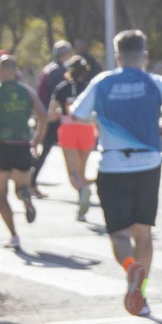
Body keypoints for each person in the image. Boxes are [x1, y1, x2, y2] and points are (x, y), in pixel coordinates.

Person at [68, 34, 162, 316]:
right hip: (148, 164)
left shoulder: (102, 82)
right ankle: (141, 293)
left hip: (112, 166)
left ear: (117, 58)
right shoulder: (156, 82)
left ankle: (129, 267)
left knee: (119, 235)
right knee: (143, 233)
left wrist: (99, 119)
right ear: (144, 56)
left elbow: (76, 114)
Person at [0, 55, 47, 250]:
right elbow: (43, 115)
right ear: (16, 72)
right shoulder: (27, 91)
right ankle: (25, 197)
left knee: (1, 195)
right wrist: (36, 140)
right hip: (22, 144)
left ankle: (14, 235)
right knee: (21, 187)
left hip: (1, 145)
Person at [49, 55, 98, 220]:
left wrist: (59, 114)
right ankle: (81, 208)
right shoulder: (89, 88)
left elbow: (51, 114)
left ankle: (83, 192)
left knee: (72, 174)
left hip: (68, 130)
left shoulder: (61, 88)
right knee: (81, 171)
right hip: (87, 129)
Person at [31, 41, 73, 193]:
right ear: (66, 54)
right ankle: (30, 181)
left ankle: (31, 180)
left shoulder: (48, 68)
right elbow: (58, 95)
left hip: (43, 113)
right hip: (52, 116)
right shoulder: (59, 71)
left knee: (46, 148)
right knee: (49, 148)